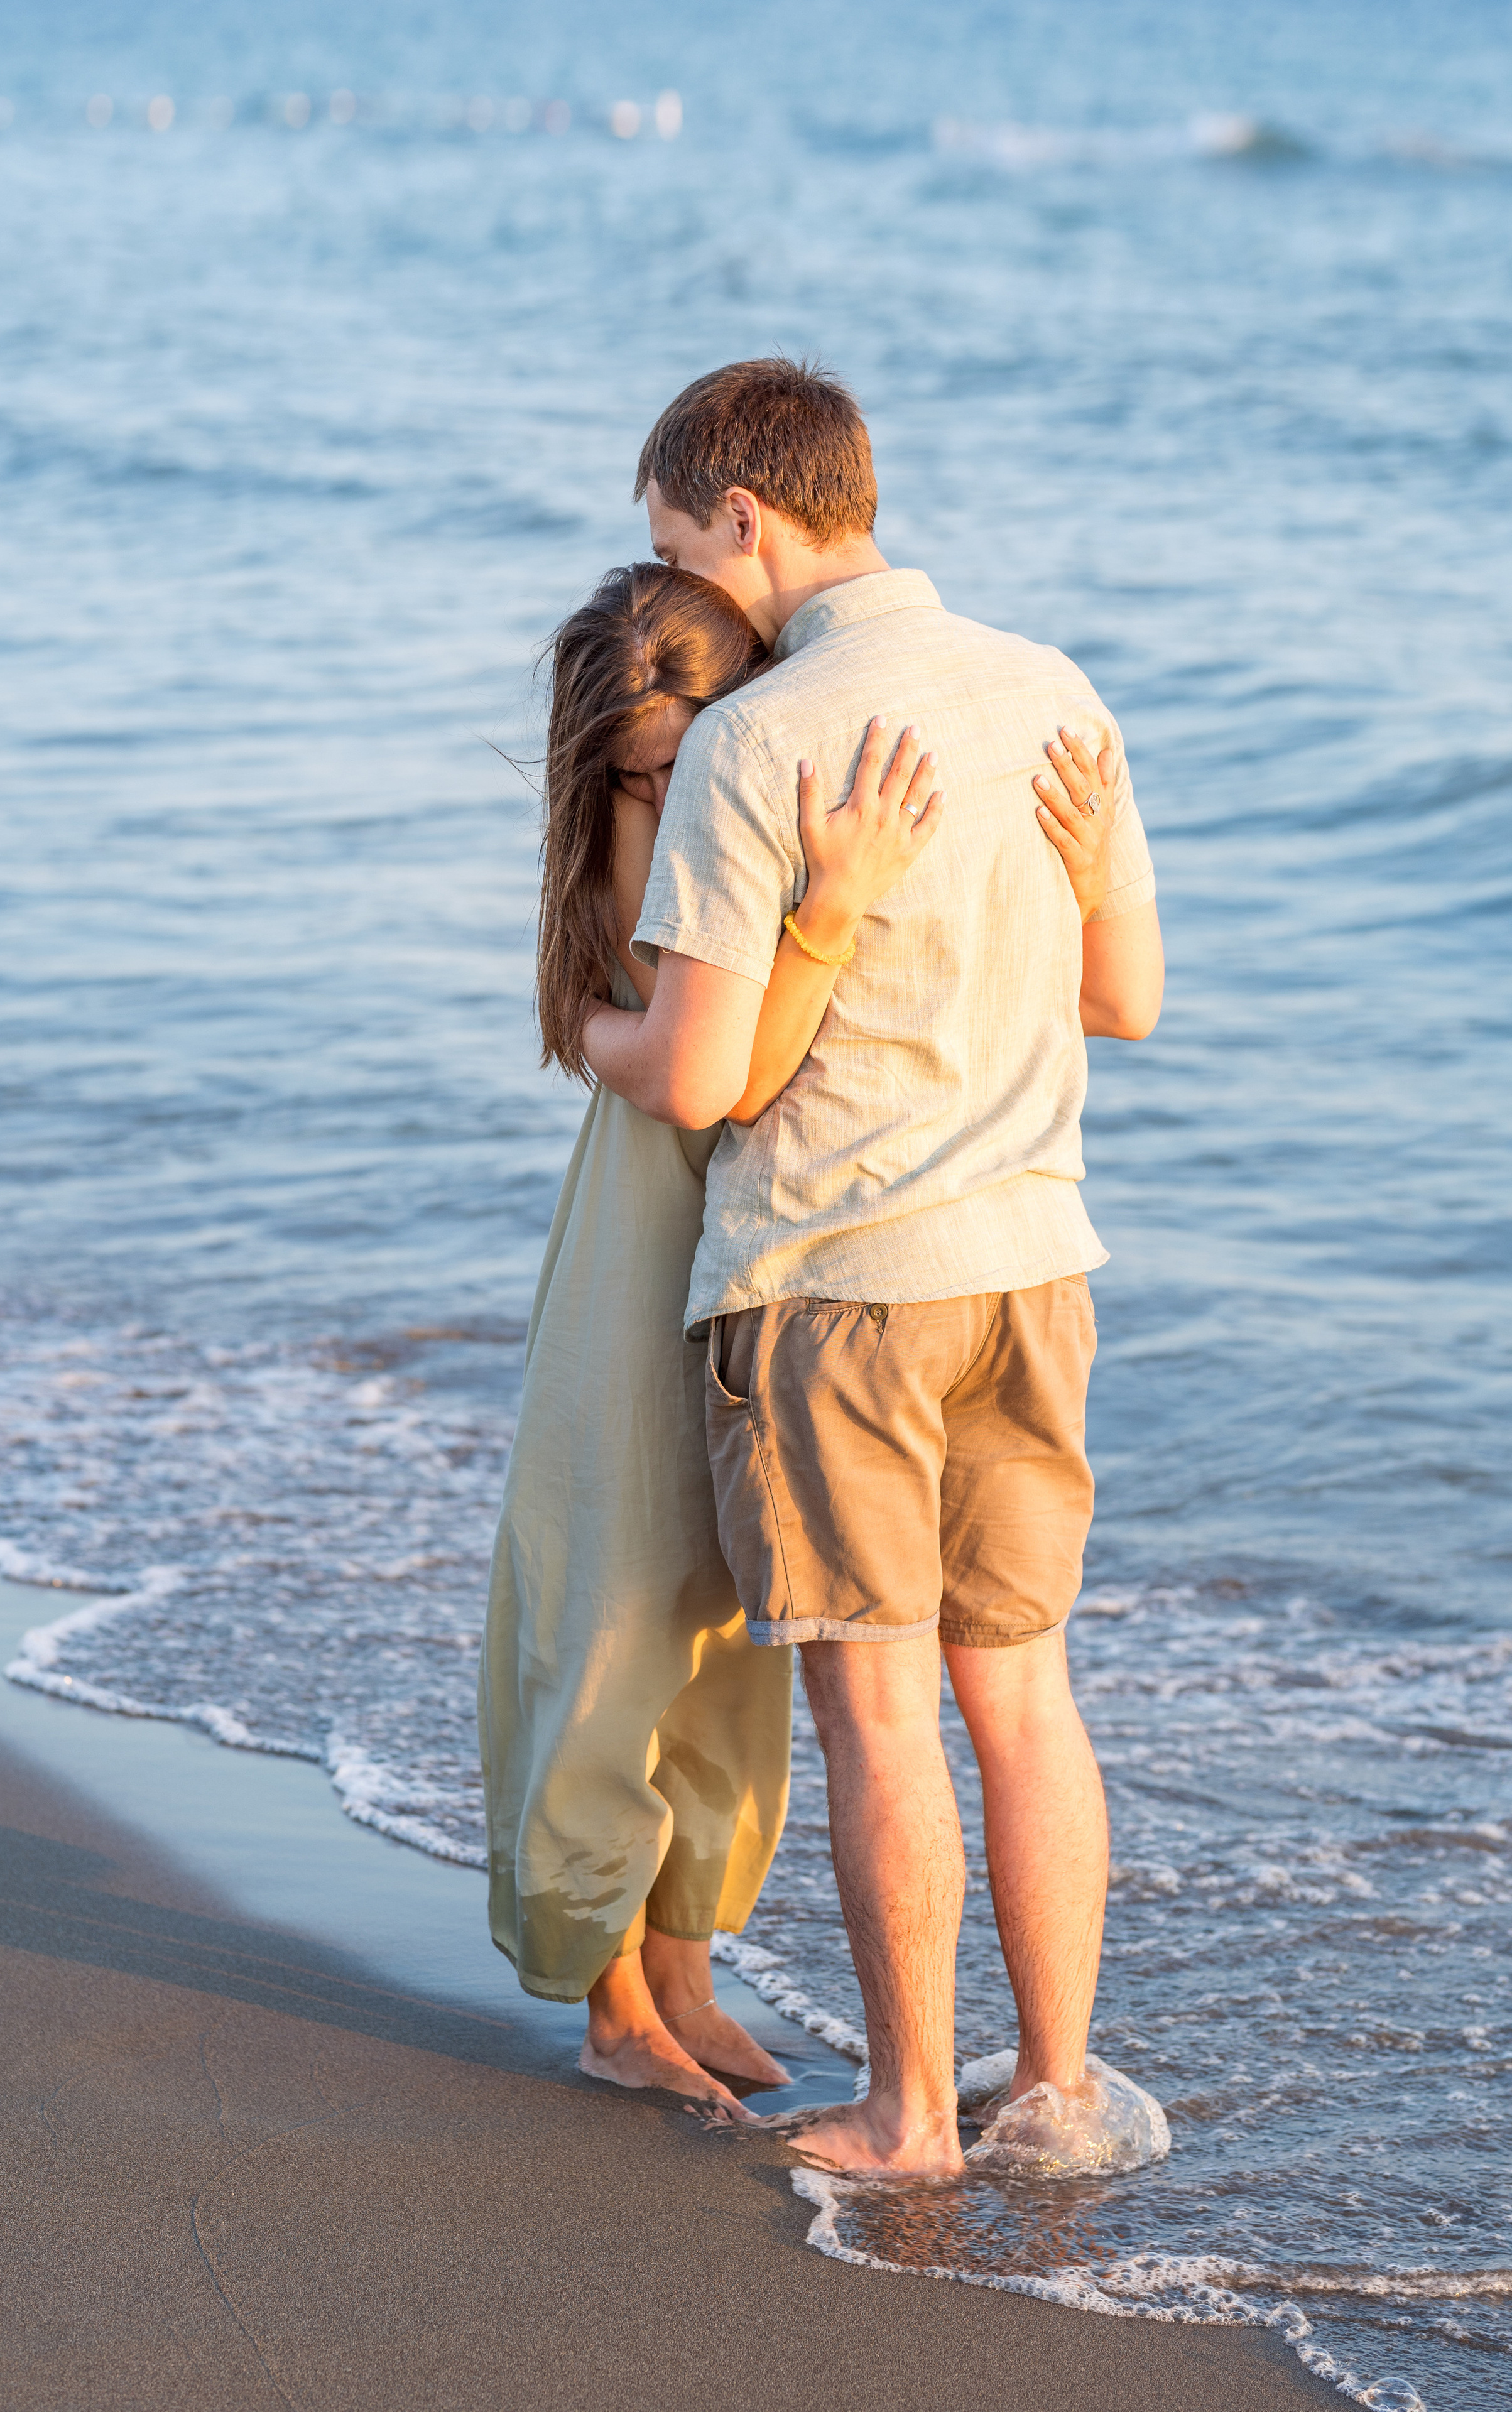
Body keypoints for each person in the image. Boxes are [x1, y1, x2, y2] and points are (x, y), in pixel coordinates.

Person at [582, 357, 1165, 2177]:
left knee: (877, 1708)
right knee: (1025, 1688)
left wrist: (584, 1034)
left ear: (740, 517)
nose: (682, 575)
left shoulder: (763, 741)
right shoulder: (1050, 685)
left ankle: (916, 2118)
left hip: (841, 1286)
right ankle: (1059, 2089)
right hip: (1037, 1261)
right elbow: (1124, 999)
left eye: (679, 538)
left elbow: (698, 1075)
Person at [479, 561, 946, 2115]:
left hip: (770, 1235)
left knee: (736, 1621)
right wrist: (824, 916)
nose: (666, 792)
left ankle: (683, 1969)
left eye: (683, 759)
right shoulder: (630, 828)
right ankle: (611, 1999)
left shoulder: (766, 775)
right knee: (616, 1597)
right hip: (646, 1237)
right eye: (635, 770)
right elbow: (719, 1072)